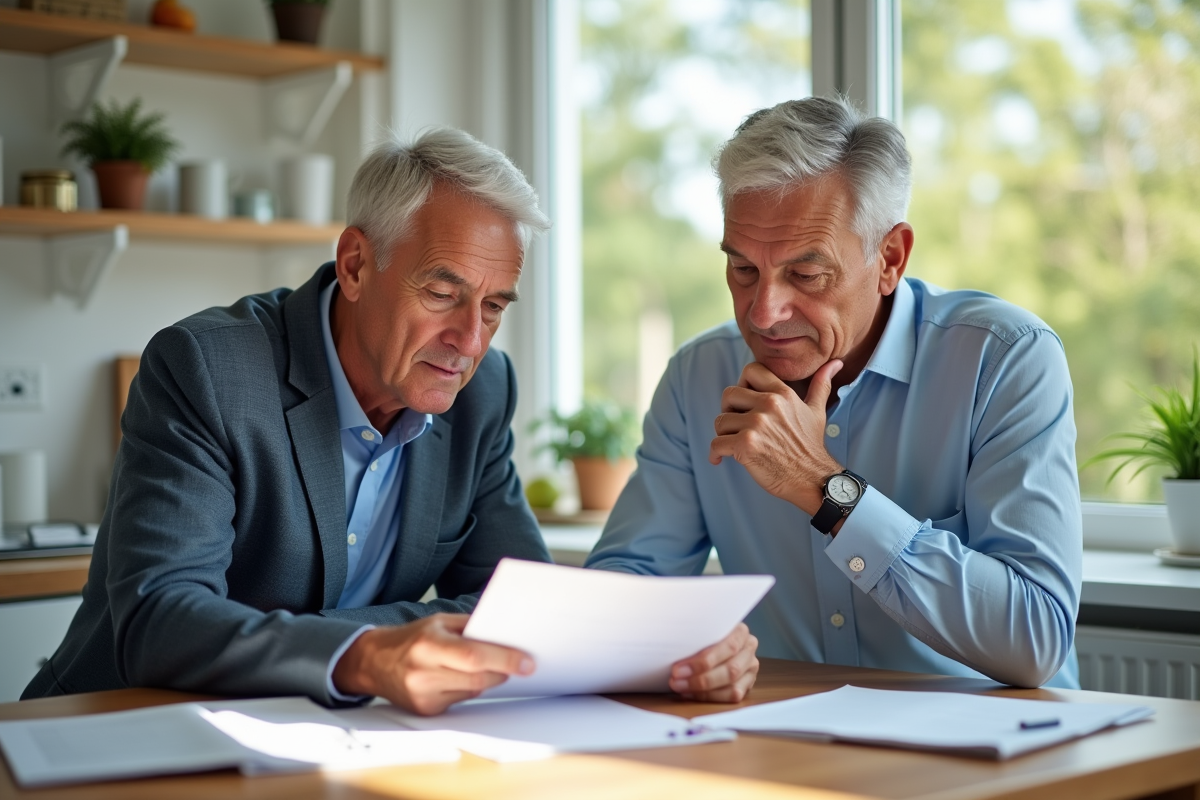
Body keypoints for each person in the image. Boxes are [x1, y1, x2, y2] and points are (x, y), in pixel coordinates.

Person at [24, 128, 749, 715]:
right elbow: (161, 621)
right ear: (356, 265)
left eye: (495, 306)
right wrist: (366, 656)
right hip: (118, 731)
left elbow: (515, 602)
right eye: (443, 292)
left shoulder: (482, 389)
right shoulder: (207, 368)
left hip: (325, 740)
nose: (470, 341)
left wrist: (670, 658)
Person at [586, 96, 1083, 692]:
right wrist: (682, 651)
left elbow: (1037, 639)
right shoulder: (699, 377)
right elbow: (625, 586)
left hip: (998, 751)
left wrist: (826, 492)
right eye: (743, 270)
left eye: (807, 274)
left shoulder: (1005, 358)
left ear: (890, 258)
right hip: (787, 749)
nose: (764, 312)